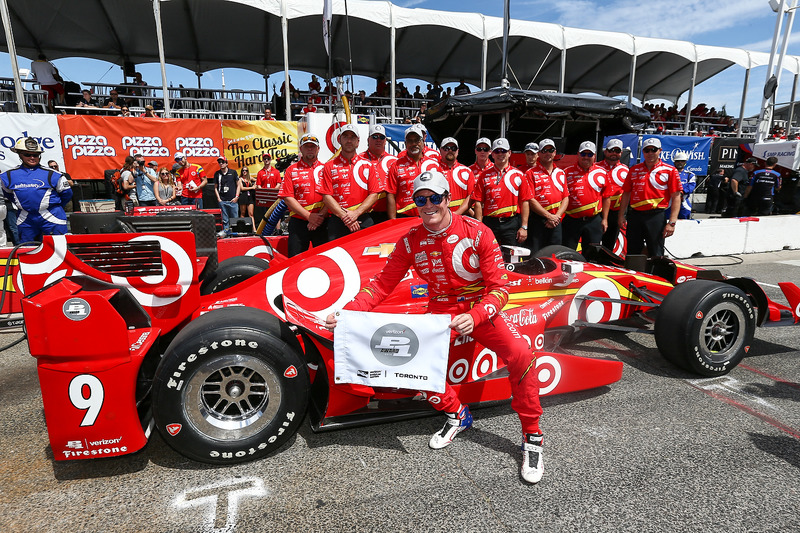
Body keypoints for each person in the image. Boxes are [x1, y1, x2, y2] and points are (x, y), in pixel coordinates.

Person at [324, 170, 545, 484]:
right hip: (441, 310)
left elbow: (500, 289)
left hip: (479, 308)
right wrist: (346, 313)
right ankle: (458, 414)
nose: (428, 204)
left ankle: (532, 435)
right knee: (414, 363)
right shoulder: (411, 240)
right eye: (420, 198)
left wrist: (478, 315)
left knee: (522, 354)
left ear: (447, 198)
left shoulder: (478, 231)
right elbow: (380, 286)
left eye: (434, 197)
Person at [617, 137, 681, 258]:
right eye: (647, 150)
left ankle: (657, 275)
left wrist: (672, 223)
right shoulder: (634, 169)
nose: (650, 153)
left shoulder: (670, 170)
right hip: (635, 215)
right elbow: (626, 193)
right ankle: (634, 275)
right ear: (643, 152)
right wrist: (621, 215)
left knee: (655, 251)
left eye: (653, 150)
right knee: (633, 251)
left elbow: (676, 197)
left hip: (656, 216)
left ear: (660, 150)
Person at [1, 137, 72, 242]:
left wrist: (51, 207)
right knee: (27, 252)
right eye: (27, 154)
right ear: (19, 154)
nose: (32, 157)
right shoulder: (7, 176)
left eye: (35, 155)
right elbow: (9, 194)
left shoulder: (54, 174)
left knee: (59, 250)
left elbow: (67, 194)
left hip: (53, 217)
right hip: (25, 218)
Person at [319, 124, 380, 240]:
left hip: (363, 218)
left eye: (352, 137)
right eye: (345, 137)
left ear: (358, 142)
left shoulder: (368, 165)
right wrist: (346, 217)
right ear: (339, 140)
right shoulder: (329, 166)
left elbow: (374, 195)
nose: (349, 140)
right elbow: (326, 196)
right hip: (338, 220)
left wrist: (355, 213)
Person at [472, 138, 530, 248]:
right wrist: (479, 226)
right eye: (497, 151)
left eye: (503, 151)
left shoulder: (518, 174)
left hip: (511, 223)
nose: (500, 154)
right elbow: (478, 202)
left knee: (511, 260)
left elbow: (525, 202)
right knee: (488, 255)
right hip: (490, 223)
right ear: (492, 154)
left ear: (509, 153)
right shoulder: (484, 176)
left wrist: (524, 227)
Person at [279, 133, 329, 256]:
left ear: (318, 149)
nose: (310, 149)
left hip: (323, 221)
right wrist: (308, 216)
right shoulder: (291, 170)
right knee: (295, 261)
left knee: (325, 260)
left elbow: (333, 197)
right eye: (307, 146)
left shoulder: (326, 168)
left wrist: (319, 217)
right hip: (298, 222)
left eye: (313, 146)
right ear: (301, 149)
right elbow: (287, 197)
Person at [561, 141, 611, 251]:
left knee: (592, 255)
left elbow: (607, 197)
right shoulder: (567, 172)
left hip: (593, 220)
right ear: (578, 155)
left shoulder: (602, 172)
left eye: (590, 154)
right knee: (567, 254)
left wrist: (605, 219)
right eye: (583, 154)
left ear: (595, 156)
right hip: (572, 221)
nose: (586, 157)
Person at [524, 138, 569, 254]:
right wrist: (548, 216)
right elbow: (530, 199)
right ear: (539, 154)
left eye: (550, 150)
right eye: (544, 151)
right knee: (535, 256)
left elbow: (565, 197)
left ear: (555, 153)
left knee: (556, 256)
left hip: (556, 221)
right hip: (537, 221)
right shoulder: (530, 173)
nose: (547, 153)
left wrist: (557, 216)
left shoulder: (561, 173)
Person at [387, 124, 436, 218]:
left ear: (423, 142)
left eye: (417, 140)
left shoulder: (433, 164)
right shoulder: (395, 165)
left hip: (430, 215)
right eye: (410, 141)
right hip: (404, 216)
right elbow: (391, 194)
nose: (414, 144)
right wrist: (393, 221)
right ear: (405, 144)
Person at [359, 124, 397, 224]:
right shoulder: (359, 160)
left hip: (388, 212)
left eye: (381, 137)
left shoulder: (394, 161)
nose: (378, 140)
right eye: (374, 137)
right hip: (365, 214)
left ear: (385, 140)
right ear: (368, 140)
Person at [597, 139, 629, 250]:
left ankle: (605, 265)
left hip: (616, 213)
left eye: (617, 151)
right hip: (597, 213)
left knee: (609, 245)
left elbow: (628, 193)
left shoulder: (626, 170)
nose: (614, 153)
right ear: (605, 152)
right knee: (593, 242)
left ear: (621, 153)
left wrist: (622, 215)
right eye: (611, 150)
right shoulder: (596, 167)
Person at [436, 137, 475, 216]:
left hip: (462, 217)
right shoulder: (433, 169)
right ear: (440, 150)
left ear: (458, 151)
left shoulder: (467, 171)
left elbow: (471, 196)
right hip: (439, 216)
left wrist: (457, 213)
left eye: (453, 148)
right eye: (446, 148)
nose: (450, 150)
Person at [214, 157, 241, 231]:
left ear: (226, 163)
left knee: (235, 220)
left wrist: (237, 197)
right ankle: (227, 236)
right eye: (219, 162)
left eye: (222, 162)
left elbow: (238, 185)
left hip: (233, 200)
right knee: (225, 221)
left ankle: (235, 236)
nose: (221, 164)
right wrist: (219, 199)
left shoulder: (233, 172)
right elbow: (215, 187)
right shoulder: (217, 174)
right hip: (223, 200)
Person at [672, 151, 696, 220]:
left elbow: (691, 187)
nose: (680, 163)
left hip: (684, 202)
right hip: (670, 202)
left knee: (685, 222)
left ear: (685, 162)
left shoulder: (690, 175)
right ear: (674, 162)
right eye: (678, 161)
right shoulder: (668, 173)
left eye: (682, 161)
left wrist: (682, 192)